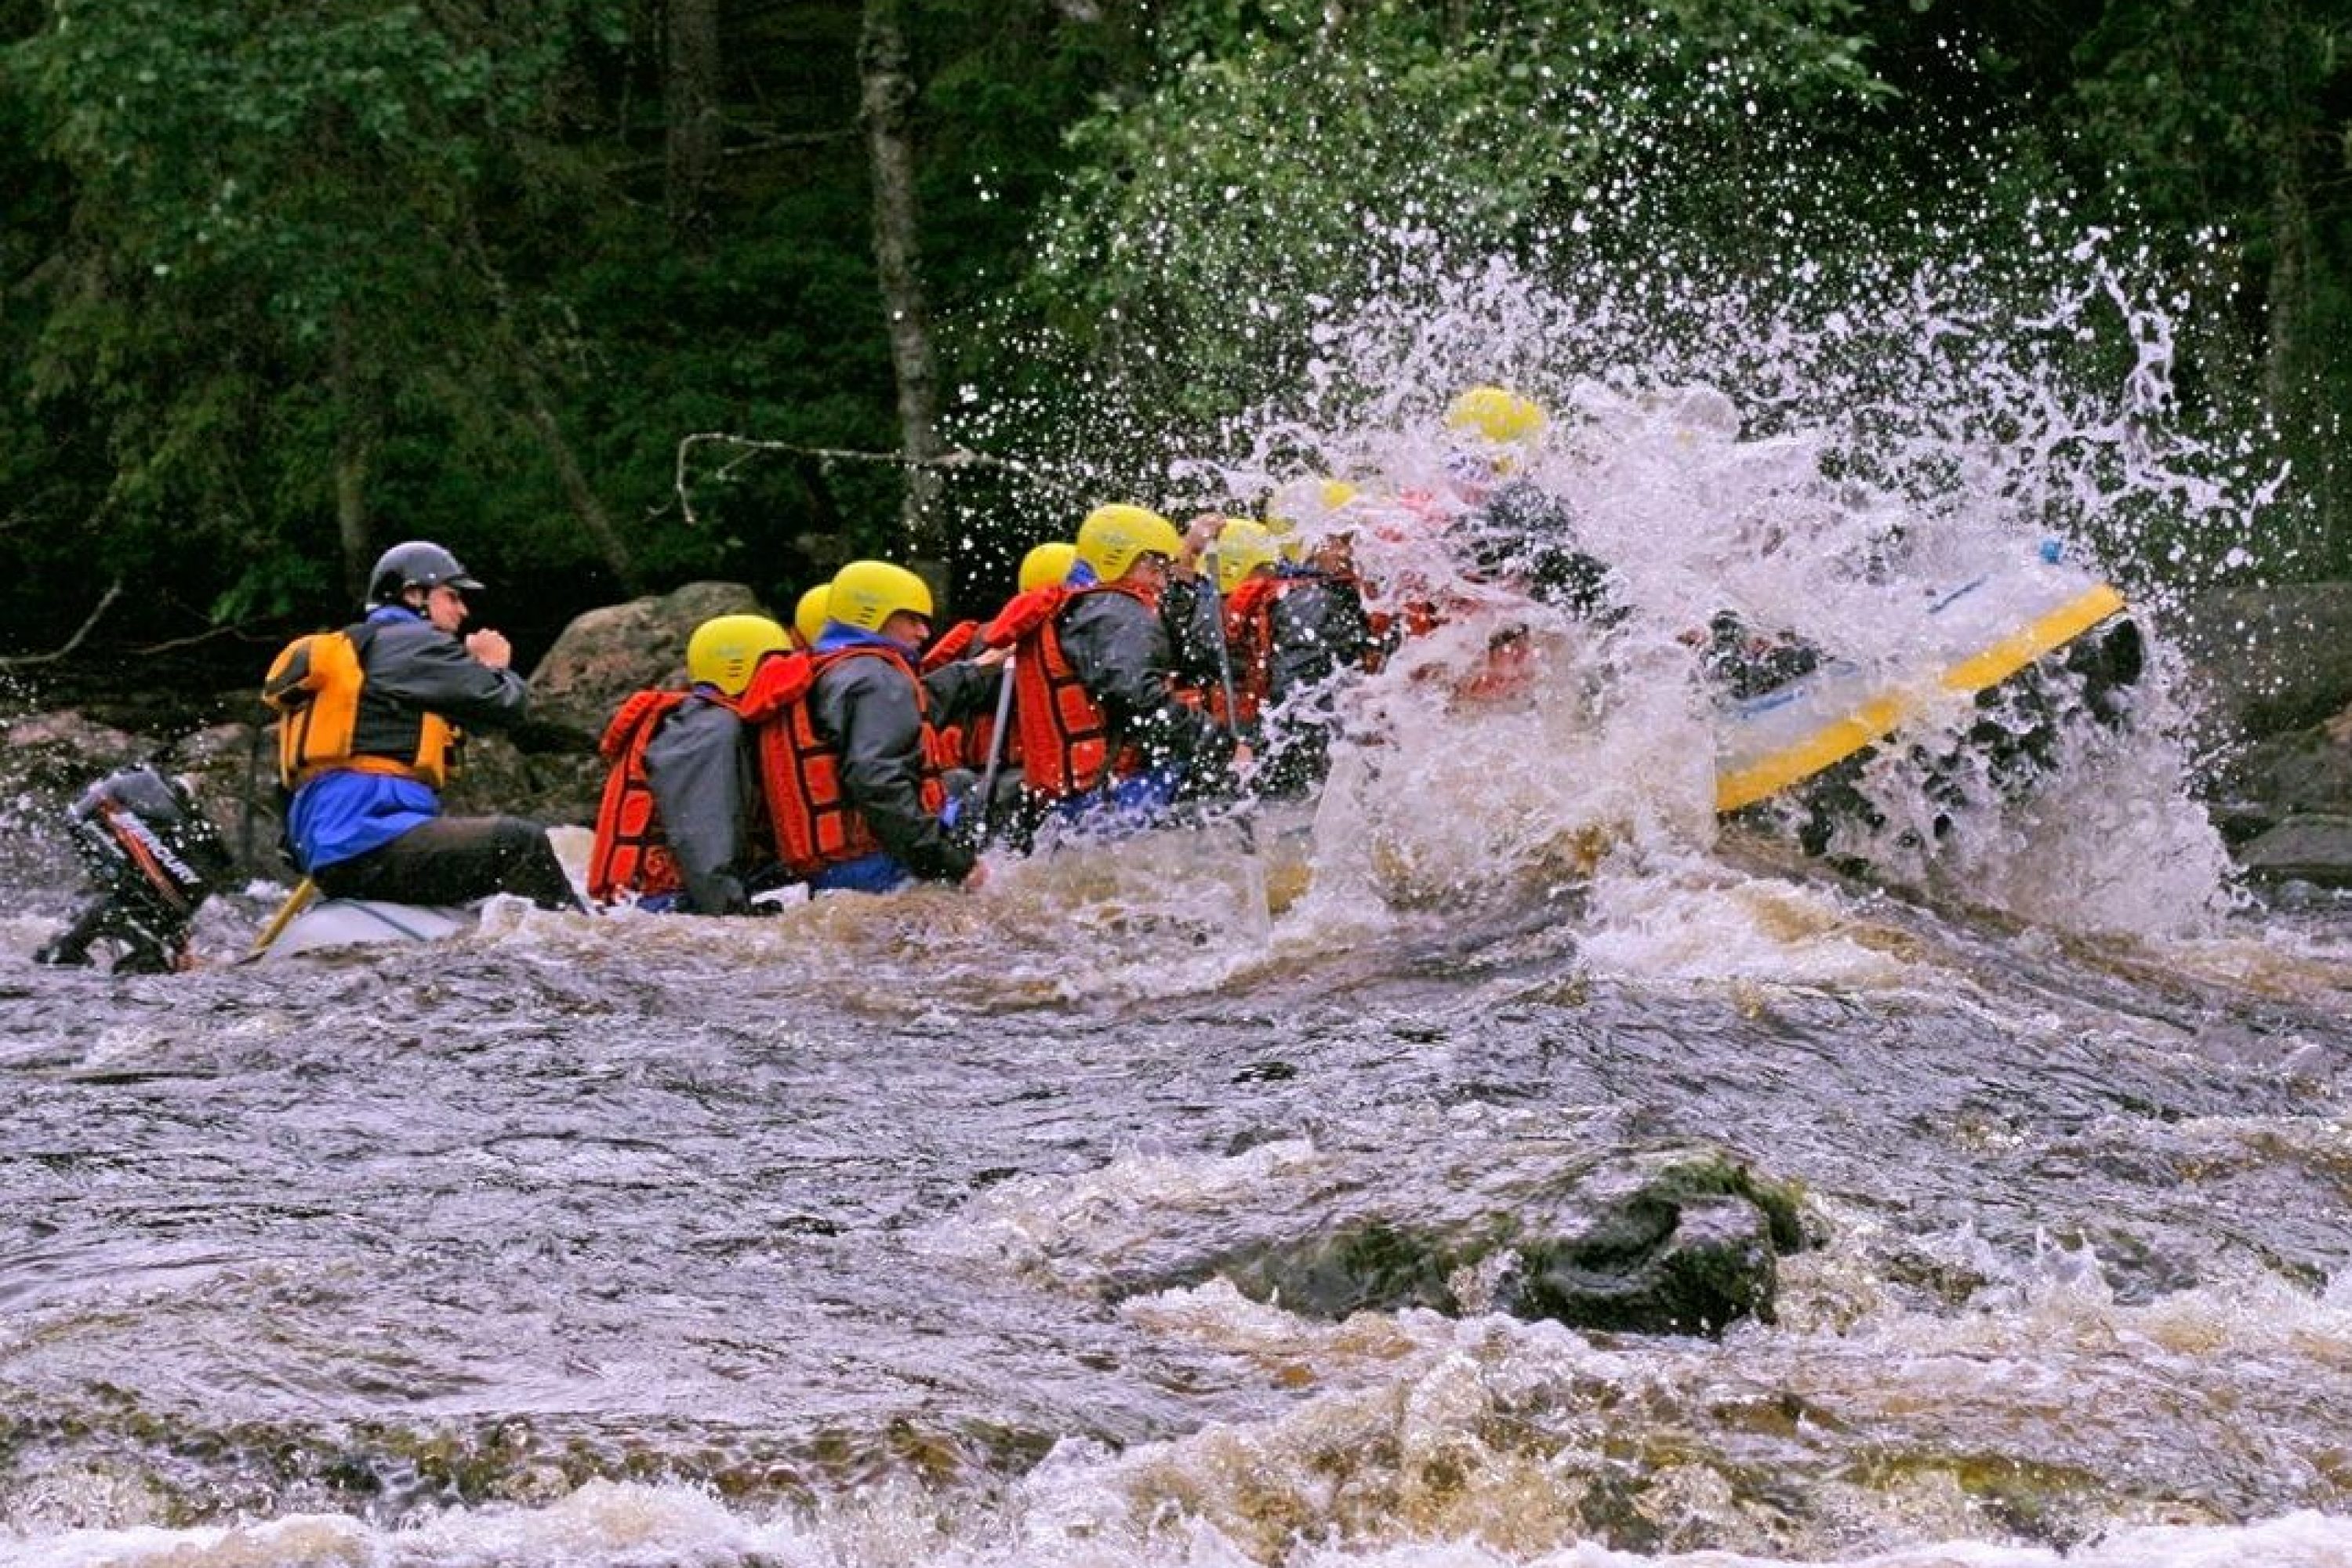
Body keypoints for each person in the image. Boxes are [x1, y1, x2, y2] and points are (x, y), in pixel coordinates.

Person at [261, 540, 583, 911]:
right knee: (519, 843)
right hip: (369, 843)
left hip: (330, 848)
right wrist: (494, 667)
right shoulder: (411, 645)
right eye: (453, 596)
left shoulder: (361, 652)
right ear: (414, 595)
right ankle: (585, 940)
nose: (464, 610)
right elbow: (506, 705)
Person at [983, 503, 1250, 825]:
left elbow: (1173, 642)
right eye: (1155, 569)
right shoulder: (1114, 611)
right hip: (1112, 800)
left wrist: (1189, 555)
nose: (1162, 582)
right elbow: (1141, 701)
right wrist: (1221, 745)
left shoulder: (1088, 606)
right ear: (1121, 561)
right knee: (1234, 802)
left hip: (1077, 802)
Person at [762, 560, 994, 894]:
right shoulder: (875, 676)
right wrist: (951, 862)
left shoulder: (833, 669)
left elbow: (916, 710)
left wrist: (976, 670)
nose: (924, 633)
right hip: (878, 864)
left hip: (836, 870)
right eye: (911, 619)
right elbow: (878, 780)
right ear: (871, 615)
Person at [587, 612, 793, 913]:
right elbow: (701, 839)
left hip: (660, 899)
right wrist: (733, 915)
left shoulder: (702, 721)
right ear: (738, 667)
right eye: (775, 664)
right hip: (662, 901)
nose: (785, 675)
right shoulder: (712, 729)